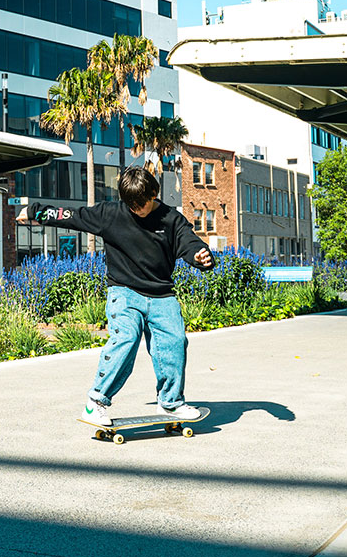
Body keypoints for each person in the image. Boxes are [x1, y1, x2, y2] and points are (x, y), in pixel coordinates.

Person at [17, 167, 214, 426]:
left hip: (161, 294)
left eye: (140, 205)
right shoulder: (111, 214)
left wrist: (201, 255)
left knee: (175, 342)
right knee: (126, 337)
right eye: (130, 205)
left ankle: (170, 403)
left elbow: (189, 242)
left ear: (154, 194)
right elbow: (71, 216)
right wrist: (34, 211)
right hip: (124, 291)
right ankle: (96, 402)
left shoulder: (171, 219)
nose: (135, 210)